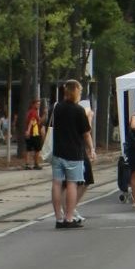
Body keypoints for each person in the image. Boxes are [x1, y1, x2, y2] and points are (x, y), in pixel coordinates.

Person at [50, 78, 92, 227]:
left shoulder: (57, 108)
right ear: (76, 92)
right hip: (74, 152)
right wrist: (92, 149)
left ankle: (58, 218)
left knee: (56, 183)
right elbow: (86, 133)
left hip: (58, 151)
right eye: (79, 91)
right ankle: (69, 217)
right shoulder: (79, 110)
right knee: (72, 184)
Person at [22, 98, 44, 170]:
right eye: (37, 104)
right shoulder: (33, 112)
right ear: (33, 104)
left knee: (28, 149)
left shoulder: (30, 112)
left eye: (39, 104)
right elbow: (31, 121)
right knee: (37, 149)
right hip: (34, 133)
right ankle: (36, 164)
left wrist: (44, 115)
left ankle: (27, 164)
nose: (38, 105)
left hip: (31, 133)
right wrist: (28, 130)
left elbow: (39, 122)